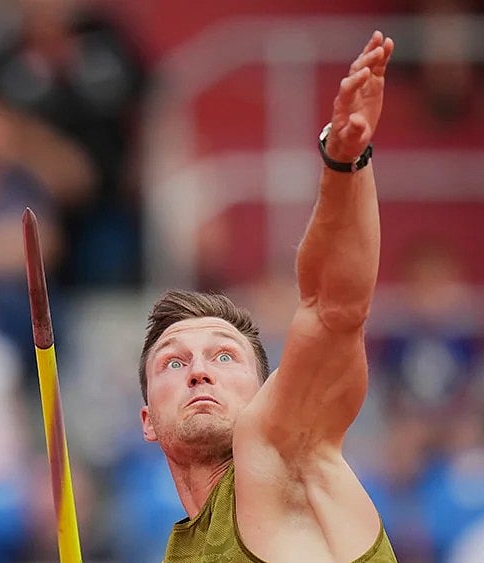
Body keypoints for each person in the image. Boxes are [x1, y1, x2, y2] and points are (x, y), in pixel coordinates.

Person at [137, 31, 398, 562]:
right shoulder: (182, 550)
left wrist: (344, 162)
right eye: (172, 363)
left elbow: (334, 309)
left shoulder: (285, 454)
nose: (198, 371)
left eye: (224, 355)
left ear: (267, 395)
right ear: (146, 420)